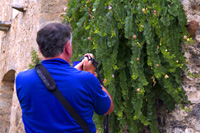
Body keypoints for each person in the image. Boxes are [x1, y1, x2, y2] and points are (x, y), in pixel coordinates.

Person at [15, 23, 114, 133]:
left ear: (40, 49)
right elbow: (107, 108)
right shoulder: (86, 80)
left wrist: (75, 73)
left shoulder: (21, 79)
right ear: (67, 47)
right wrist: (90, 74)